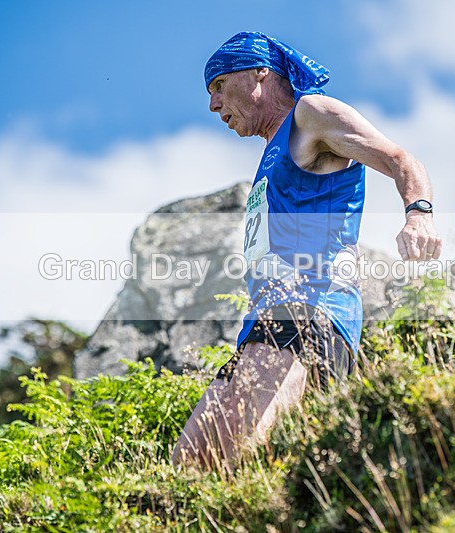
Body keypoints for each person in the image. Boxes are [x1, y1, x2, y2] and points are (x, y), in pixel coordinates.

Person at [171, 31, 441, 470]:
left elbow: (400, 159)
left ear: (259, 74)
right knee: (188, 465)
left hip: (309, 312)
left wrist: (419, 214)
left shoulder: (311, 113)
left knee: (236, 464)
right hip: (267, 323)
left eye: (219, 85)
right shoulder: (271, 151)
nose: (213, 105)